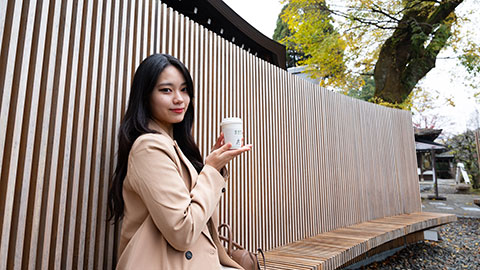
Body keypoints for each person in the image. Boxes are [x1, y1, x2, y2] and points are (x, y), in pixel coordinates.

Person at [107, 54, 252, 269]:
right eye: (166, 90)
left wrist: (214, 168)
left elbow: (198, 216)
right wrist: (210, 171)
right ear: (145, 96)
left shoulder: (173, 146)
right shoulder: (149, 148)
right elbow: (183, 231)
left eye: (184, 90)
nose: (179, 99)